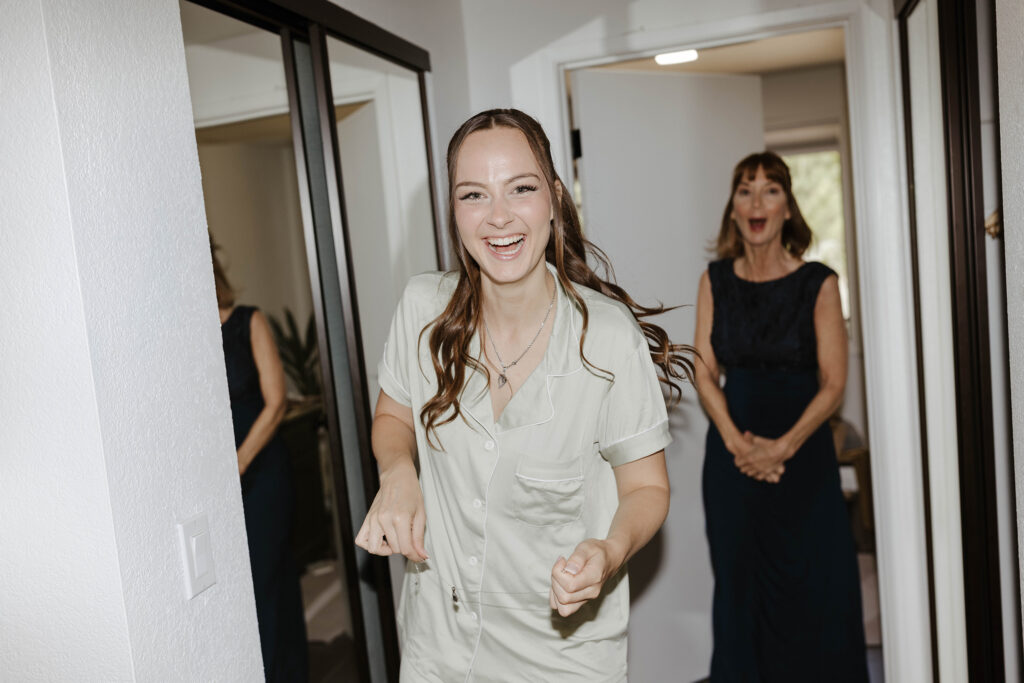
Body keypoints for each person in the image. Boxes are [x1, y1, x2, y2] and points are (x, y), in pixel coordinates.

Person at [355, 108, 693, 681]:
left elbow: (647, 487)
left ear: (555, 198)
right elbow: (393, 414)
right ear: (454, 212)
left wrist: (609, 551)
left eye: (521, 188)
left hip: (561, 657)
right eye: (473, 195)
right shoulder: (421, 307)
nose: (499, 217)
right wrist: (397, 473)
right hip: (438, 649)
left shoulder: (607, 337)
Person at [693, 152, 868, 681]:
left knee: (817, 594)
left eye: (770, 190)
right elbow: (704, 373)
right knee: (739, 596)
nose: (757, 202)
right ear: (733, 209)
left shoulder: (819, 283)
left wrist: (781, 448)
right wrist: (739, 445)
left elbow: (834, 384)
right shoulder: (714, 280)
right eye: (745, 190)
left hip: (804, 462)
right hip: (732, 467)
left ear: (788, 207)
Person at [213, 246, 309, 682]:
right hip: (219, 479)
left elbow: (276, 404)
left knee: (263, 582)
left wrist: (239, 463)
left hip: (260, 470)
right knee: (247, 587)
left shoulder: (247, 321)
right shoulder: (182, 333)